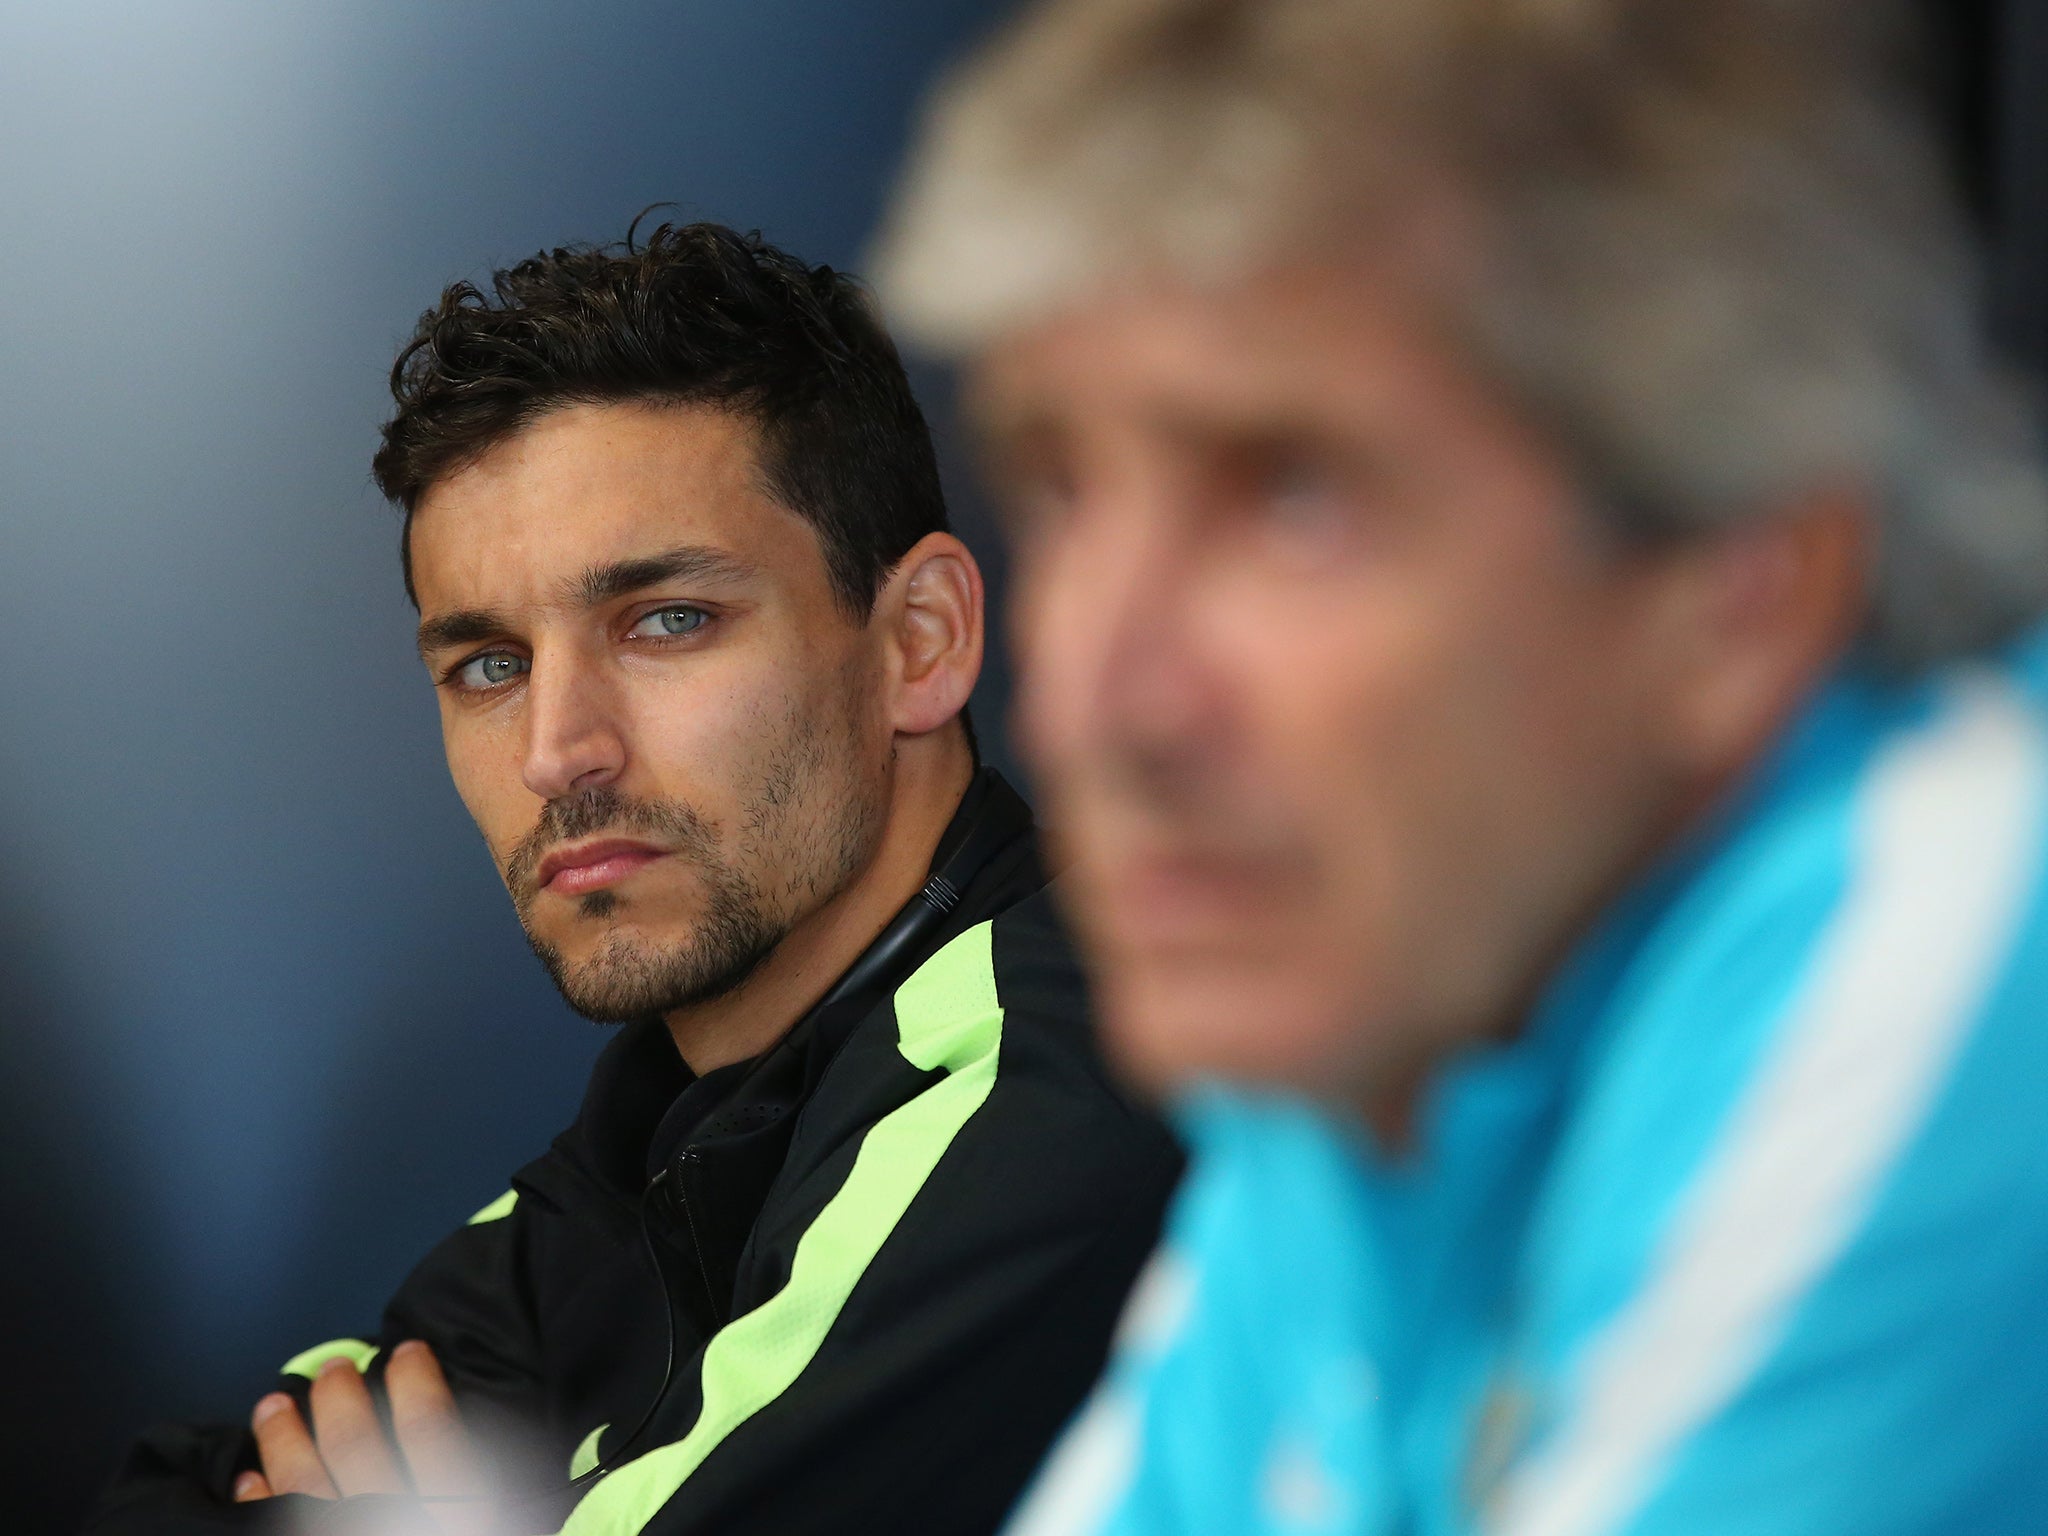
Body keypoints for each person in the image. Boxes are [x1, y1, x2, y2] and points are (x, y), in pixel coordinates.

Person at [873, 0, 2048, 1531]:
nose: (1094, 701)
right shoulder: (1377, 1024)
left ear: (1740, 588)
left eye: (1291, 497)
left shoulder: (1962, 910)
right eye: (1065, 488)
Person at [88, 221, 1180, 1536]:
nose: (557, 752)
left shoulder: (1086, 1055)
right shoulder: (647, 1139)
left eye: (667, 621)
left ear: (920, 643)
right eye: (489, 664)